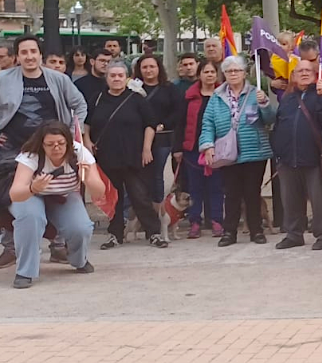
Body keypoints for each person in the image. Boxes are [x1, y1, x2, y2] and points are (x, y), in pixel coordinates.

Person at [0, 35, 88, 268]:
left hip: (51, 151)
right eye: (24, 52)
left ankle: (58, 248)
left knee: (57, 193)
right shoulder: (2, 79)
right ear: (17, 57)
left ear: (40, 55)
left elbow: (80, 105)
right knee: (12, 199)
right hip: (12, 150)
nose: (29, 56)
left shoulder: (59, 79)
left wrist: (71, 134)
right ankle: (11, 248)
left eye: (33, 51)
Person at [8, 121, 107, 288]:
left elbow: (99, 192)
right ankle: (25, 271)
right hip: (31, 195)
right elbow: (15, 194)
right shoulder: (31, 155)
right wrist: (33, 188)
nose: (56, 148)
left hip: (64, 194)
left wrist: (88, 178)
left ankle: (79, 260)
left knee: (81, 227)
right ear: (42, 144)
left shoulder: (79, 153)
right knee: (31, 219)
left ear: (68, 142)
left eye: (61, 143)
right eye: (50, 144)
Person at [86, 59, 167, 250]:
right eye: (112, 75)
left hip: (134, 156)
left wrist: (147, 148)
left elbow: (150, 124)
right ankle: (115, 234)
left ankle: (153, 233)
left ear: (126, 78)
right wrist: (87, 141)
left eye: (120, 75)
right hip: (107, 156)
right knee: (113, 198)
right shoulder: (97, 99)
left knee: (140, 196)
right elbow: (87, 123)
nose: (116, 79)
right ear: (107, 78)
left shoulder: (136, 99)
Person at [199, 55, 276, 246]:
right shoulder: (217, 96)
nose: (233, 74)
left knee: (252, 193)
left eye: (237, 70)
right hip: (227, 152)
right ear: (224, 74)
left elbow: (270, 120)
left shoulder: (256, 93)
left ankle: (256, 231)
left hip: (254, 151)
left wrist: (265, 105)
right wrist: (207, 145)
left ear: (244, 73)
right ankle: (229, 232)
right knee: (231, 194)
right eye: (229, 71)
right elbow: (207, 123)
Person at [270, 60, 322, 251]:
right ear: (293, 76)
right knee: (290, 200)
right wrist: (278, 149)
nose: (304, 73)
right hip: (288, 159)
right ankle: (294, 235)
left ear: (315, 74)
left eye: (308, 71)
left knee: (320, 200)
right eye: (299, 71)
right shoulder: (287, 98)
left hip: (315, 157)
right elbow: (278, 124)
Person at [135, 54, 183, 216]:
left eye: (152, 66)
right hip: (137, 138)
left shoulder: (170, 89)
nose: (148, 70)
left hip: (162, 138)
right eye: (144, 67)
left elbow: (178, 112)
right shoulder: (133, 89)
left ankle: (157, 212)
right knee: (138, 176)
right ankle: (140, 212)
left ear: (158, 68)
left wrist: (163, 125)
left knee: (156, 174)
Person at [180, 60, 223, 239]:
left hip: (218, 148)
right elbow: (180, 123)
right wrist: (178, 148)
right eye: (206, 72)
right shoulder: (189, 96)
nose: (210, 75)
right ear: (199, 75)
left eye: (213, 72)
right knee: (195, 187)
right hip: (193, 148)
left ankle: (217, 220)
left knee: (216, 186)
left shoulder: (223, 95)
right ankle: (195, 221)